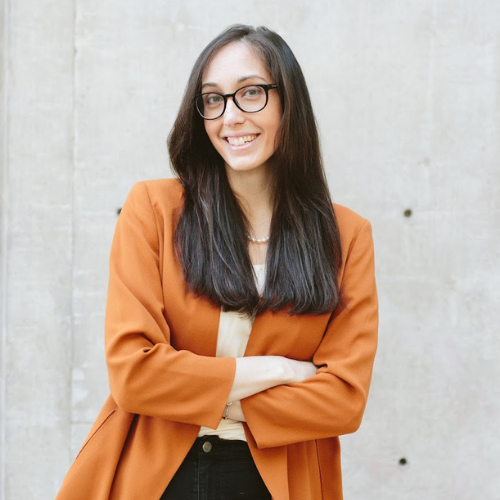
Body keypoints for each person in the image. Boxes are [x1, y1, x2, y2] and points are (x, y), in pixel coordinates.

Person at [56, 24, 378, 500]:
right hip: (158, 477)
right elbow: (133, 375)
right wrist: (282, 371)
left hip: (277, 480)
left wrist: (193, 394)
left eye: (250, 93)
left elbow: (342, 401)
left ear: (288, 101)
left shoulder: (347, 236)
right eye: (212, 100)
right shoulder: (153, 210)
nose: (230, 117)